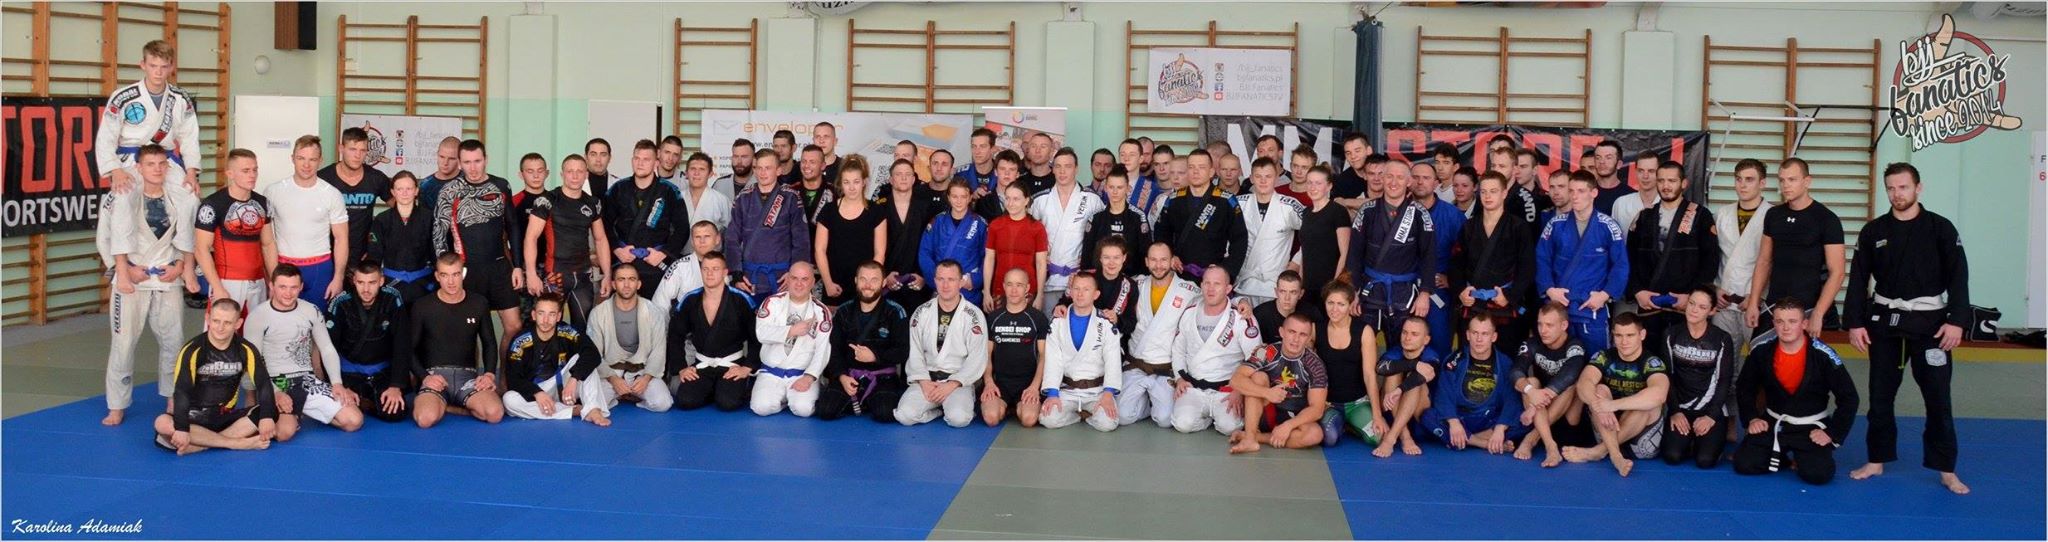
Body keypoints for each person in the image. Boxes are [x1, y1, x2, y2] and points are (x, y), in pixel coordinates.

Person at [1845, 162, 1972, 494]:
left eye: (1903, 187)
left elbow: (1959, 276)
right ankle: (1876, 459)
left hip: (1931, 324)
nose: (1896, 193)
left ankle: (1946, 469)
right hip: (1885, 322)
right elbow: (1858, 278)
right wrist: (1855, 322)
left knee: (1938, 399)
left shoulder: (1940, 228)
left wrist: (1957, 320)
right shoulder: (1874, 231)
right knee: (1880, 396)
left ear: (1918, 187)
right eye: (1891, 188)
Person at [98, 144, 199, 426]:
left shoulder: (178, 196)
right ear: (138, 167)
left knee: (173, 340)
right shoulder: (119, 196)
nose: (157, 169)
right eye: (150, 164)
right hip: (131, 278)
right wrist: (124, 269)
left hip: (166, 278)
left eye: (162, 164)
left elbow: (186, 236)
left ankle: (173, 397)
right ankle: (116, 405)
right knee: (123, 343)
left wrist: (179, 266)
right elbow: (105, 237)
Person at [1734, 299, 1859, 486]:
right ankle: (1782, 458)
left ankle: (1801, 458)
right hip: (1774, 422)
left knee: (1818, 475)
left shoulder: (1823, 355)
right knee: (1744, 464)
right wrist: (1751, 418)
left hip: (1810, 426)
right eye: (1780, 321)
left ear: (1804, 324)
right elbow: (1745, 387)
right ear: (1773, 323)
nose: (1786, 328)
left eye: (1792, 321)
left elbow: (1849, 397)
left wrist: (1832, 433)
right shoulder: (1761, 351)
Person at [246, 264, 363, 438]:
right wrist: (274, 392)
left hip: (306, 380)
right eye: (282, 287)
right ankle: (285, 414)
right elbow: (252, 360)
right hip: (276, 381)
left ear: (301, 287)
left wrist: (337, 383)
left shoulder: (311, 310)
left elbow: (326, 348)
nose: (288, 293)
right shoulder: (257, 316)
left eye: (293, 287)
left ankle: (301, 410)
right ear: (271, 286)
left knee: (354, 421)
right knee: (283, 433)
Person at [434, 139, 526, 351]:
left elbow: (513, 226)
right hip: (466, 270)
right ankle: (472, 373)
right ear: (459, 163)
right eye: (467, 162)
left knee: (514, 327)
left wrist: (518, 266)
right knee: (468, 332)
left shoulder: (501, 185)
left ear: (486, 160)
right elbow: (439, 233)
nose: (473, 168)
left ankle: (504, 372)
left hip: (499, 267)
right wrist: (446, 273)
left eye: (477, 161)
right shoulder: (450, 190)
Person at [155, 299, 277, 454]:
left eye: (227, 323)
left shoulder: (246, 349)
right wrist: (182, 428)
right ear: (208, 319)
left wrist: (266, 417)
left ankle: (200, 445)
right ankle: (235, 443)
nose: (220, 327)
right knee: (162, 423)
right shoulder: (192, 350)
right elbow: (181, 391)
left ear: (238, 324)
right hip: (193, 417)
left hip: (224, 416)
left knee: (270, 411)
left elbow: (264, 384)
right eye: (216, 321)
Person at [1743, 158, 1847, 340]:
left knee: (1805, 358)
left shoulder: (1826, 219)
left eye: (1792, 179)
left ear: (1807, 181)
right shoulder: (1773, 215)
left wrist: (1818, 313)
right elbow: (1764, 261)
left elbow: (1837, 273)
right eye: (1782, 180)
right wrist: (1753, 302)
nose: (1786, 185)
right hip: (1775, 305)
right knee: (1760, 353)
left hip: (1809, 307)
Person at [404, 253, 507, 427]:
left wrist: (489, 374)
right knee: (425, 419)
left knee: (494, 414)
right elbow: (408, 349)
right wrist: (424, 377)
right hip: (435, 376)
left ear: (463, 274)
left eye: (456, 274)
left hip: (467, 378)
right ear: (437, 276)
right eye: (445, 275)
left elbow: (489, 342)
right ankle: (445, 404)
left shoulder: (479, 303)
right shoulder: (422, 305)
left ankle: (450, 406)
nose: (451, 282)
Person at [1561, 312, 1670, 477]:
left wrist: (1612, 405)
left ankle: (1599, 451)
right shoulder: (1604, 356)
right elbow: (1584, 383)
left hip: (1641, 441)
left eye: (1630, 335)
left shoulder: (1651, 362)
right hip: (1608, 428)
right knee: (1599, 390)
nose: (1624, 342)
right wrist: (1598, 405)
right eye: (1619, 336)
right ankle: (1615, 455)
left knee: (1648, 404)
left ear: (1642, 335)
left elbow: (1659, 394)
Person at [1624, 160, 1719, 346]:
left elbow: (1711, 260)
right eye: (1661, 181)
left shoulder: (1700, 215)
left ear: (1684, 183)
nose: (1666, 186)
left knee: (1683, 355)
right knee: (1650, 354)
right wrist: (1637, 291)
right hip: (1649, 303)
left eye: (1672, 181)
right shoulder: (1644, 216)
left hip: (1684, 305)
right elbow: (1629, 258)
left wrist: (1693, 296)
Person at [1536, 170, 1629, 353]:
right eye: (1571, 191)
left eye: (1581, 191)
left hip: (1591, 307)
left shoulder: (1608, 226)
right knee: (1559, 360)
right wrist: (1549, 289)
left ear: (1593, 193)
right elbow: (1541, 259)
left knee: (1595, 361)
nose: (1575, 196)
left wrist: (1605, 295)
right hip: (1560, 307)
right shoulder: (1555, 224)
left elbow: (1620, 265)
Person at [96, 40, 201, 198]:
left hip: (165, 161)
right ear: (143, 65)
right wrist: (115, 171)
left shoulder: (180, 98)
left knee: (190, 198)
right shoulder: (123, 97)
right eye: (153, 66)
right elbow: (106, 137)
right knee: (123, 199)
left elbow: (189, 138)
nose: (158, 72)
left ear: (171, 67)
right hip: (131, 161)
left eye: (164, 67)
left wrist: (191, 173)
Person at [896, 261, 990, 427]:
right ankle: (938, 411)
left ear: (960, 282)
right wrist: (923, 381)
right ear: (934, 281)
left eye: (951, 279)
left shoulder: (974, 316)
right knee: (904, 416)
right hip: (927, 380)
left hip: (957, 381)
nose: (945, 285)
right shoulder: (921, 312)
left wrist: (953, 384)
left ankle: (952, 405)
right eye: (941, 279)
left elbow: (977, 357)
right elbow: (915, 352)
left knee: (959, 419)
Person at [524, 154, 614, 329]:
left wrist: (607, 275)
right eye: (570, 171)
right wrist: (531, 274)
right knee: (547, 325)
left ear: (586, 174)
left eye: (579, 171)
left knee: (583, 327)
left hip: (583, 275)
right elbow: (531, 238)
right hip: (555, 274)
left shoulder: (593, 203)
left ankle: (576, 349)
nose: (575, 176)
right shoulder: (547, 200)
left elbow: (601, 239)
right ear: (562, 174)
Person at [1169, 266, 1260, 435]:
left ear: (1228, 288)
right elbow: (1178, 350)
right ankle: (1206, 418)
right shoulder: (1189, 311)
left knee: (1230, 427)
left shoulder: (1241, 317)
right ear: (1201, 285)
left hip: (1227, 390)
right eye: (1207, 283)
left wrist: (1240, 390)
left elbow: (1255, 359)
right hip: (1193, 387)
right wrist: (1179, 378)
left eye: (1217, 284)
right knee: (1182, 424)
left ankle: (1216, 416)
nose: (1211, 289)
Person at [1033, 271, 1129, 433]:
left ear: (1096, 294)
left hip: (1097, 390)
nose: (1080, 293)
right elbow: (1053, 360)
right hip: (1067, 389)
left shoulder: (1106, 323)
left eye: (1086, 289)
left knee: (1108, 423)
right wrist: (1053, 393)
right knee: (1047, 419)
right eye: (1076, 288)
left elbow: (1112, 360)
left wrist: (1108, 394)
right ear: (1070, 292)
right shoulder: (1058, 322)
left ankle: (1089, 414)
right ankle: (1078, 416)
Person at [1350, 158, 1436, 332]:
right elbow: (1354, 254)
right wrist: (1352, 291)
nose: (1393, 182)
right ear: (1382, 178)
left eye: (1400, 177)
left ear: (1409, 182)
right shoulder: (1367, 211)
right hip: (1370, 291)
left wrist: (1425, 293)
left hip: (1404, 293)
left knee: (1404, 344)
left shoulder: (1420, 214)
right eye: (1389, 176)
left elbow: (1429, 256)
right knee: (1364, 342)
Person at [1451, 172, 1536, 348]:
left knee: (1506, 357)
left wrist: (1510, 296)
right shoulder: (1469, 226)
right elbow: (1456, 264)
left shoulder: (1518, 227)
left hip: (1504, 304)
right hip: (1474, 303)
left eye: (1493, 191)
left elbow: (1527, 268)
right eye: (1483, 192)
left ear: (1504, 193)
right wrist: (1461, 291)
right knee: (1471, 356)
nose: (1487, 196)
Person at [1120, 242, 1201, 427]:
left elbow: (1215, 298)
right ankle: (1145, 402)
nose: (1158, 265)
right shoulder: (1135, 284)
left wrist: (1241, 302)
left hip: (1166, 369)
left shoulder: (1189, 290)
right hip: (1136, 364)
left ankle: (1151, 400)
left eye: (1164, 260)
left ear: (1172, 261)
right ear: (1146, 262)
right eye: (1153, 260)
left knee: (1165, 420)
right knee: (1123, 417)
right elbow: (1104, 284)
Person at [818, 262, 911, 422]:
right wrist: (842, 376)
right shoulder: (844, 311)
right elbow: (834, 349)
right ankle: (863, 401)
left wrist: (875, 356)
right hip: (849, 375)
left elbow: (902, 351)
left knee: (885, 413)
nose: (868, 285)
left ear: (883, 282)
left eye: (874, 280)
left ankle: (865, 401)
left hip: (882, 377)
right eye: (863, 279)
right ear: (856, 280)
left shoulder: (895, 312)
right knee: (825, 410)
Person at [1422, 313, 1528, 454]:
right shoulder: (1453, 361)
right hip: (1461, 417)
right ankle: (1483, 443)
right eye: (1475, 333)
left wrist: (1500, 428)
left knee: (1527, 419)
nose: (1479, 339)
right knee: (1427, 416)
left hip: (1489, 419)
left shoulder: (1505, 363)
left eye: (1485, 334)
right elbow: (1444, 395)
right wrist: (1453, 422)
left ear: (1494, 337)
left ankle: (1463, 440)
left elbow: (1511, 400)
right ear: (1468, 335)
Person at [668, 252, 759, 412]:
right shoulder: (690, 299)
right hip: (702, 364)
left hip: (732, 365)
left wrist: (747, 367)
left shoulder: (741, 300)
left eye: (715, 269)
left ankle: (730, 388)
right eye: (705, 269)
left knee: (728, 403)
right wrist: (681, 367)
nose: (709, 273)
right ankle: (713, 389)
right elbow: (675, 335)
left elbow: (756, 337)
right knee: (685, 400)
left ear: (725, 272)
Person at [1659, 287, 1739, 469]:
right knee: (1672, 456)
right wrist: (1675, 411)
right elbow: (1666, 375)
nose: (1694, 310)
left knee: (1705, 460)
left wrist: (1711, 416)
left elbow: (1724, 380)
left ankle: (1705, 441)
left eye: (1702, 307)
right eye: (1692, 304)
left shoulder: (1721, 338)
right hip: (1681, 407)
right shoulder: (1671, 334)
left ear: (1712, 311)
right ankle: (1689, 440)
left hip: (1710, 407)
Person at [265, 135, 350, 306]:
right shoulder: (273, 192)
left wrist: (338, 277)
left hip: (319, 268)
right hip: (284, 266)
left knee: (317, 318)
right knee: (284, 319)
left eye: (312, 159)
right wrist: (271, 277)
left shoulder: (332, 194)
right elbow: (267, 242)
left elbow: (341, 239)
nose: (306, 165)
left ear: (320, 161)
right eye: (301, 158)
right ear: (292, 158)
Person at [1226, 314, 1328, 453]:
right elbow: (1236, 379)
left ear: (1309, 338)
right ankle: (1249, 438)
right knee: (1258, 377)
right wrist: (1267, 393)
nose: (1296, 339)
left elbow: (1317, 409)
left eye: (1302, 334)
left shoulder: (1315, 364)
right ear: (1282, 332)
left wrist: (1288, 426)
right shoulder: (1265, 351)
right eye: (1291, 332)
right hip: (1263, 411)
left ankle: (1257, 438)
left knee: (1315, 434)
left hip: (1293, 415)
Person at [325, 262, 413, 424]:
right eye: (361, 282)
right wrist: (339, 385)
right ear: (354, 281)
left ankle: (368, 403)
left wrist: (395, 386)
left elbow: (402, 343)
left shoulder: (392, 298)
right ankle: (364, 400)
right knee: (341, 410)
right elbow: (328, 348)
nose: (366, 289)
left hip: (382, 371)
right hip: (349, 373)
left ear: (381, 281)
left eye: (372, 283)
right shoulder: (340, 302)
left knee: (395, 412)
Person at [502, 293, 609, 425]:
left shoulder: (567, 332)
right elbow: (513, 378)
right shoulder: (521, 341)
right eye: (541, 313)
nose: (546, 320)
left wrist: (574, 378)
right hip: (537, 390)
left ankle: (593, 409)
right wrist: (537, 393)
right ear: (534, 315)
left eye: (551, 314)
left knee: (583, 360)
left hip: (565, 386)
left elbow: (593, 354)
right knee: (509, 400)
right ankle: (574, 410)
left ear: (558, 316)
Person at [606, 140, 690, 300]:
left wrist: (664, 253)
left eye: (646, 159)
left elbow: (682, 229)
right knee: (622, 308)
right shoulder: (618, 189)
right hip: (625, 260)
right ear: (632, 160)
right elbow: (606, 225)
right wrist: (617, 249)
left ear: (656, 163)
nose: (640, 163)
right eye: (637, 158)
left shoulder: (669, 191)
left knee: (656, 311)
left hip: (655, 262)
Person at [585, 262, 674, 413]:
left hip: (641, 372)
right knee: (593, 405)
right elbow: (594, 353)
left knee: (662, 403)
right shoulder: (599, 313)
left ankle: (635, 396)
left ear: (638, 284)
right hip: (610, 373)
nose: (626, 285)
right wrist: (613, 379)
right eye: (621, 279)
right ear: (613, 284)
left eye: (632, 279)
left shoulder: (653, 312)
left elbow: (658, 350)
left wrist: (646, 378)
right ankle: (618, 395)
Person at [193, 148, 276, 307]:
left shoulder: (263, 202)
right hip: (227, 282)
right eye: (246, 171)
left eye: (255, 170)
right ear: (230, 174)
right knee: (225, 323)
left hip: (258, 280)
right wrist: (217, 287)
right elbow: (201, 249)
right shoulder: (212, 204)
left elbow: (268, 244)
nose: (252, 175)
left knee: (257, 323)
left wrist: (274, 281)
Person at [748, 262, 834, 417]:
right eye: (794, 278)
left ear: (813, 282)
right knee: (761, 408)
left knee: (804, 409)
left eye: (804, 279)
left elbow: (823, 349)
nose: (799, 284)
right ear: (787, 280)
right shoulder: (772, 302)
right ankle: (783, 399)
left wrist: (809, 377)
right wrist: (790, 331)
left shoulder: (821, 311)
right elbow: (761, 333)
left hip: (801, 373)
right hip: (771, 372)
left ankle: (799, 394)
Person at [1509, 303, 1589, 466]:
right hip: (1542, 416)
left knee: (1572, 384)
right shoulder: (1533, 343)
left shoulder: (1575, 346)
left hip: (1567, 421)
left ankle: (1530, 438)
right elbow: (1515, 371)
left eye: (1549, 325)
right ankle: (1550, 446)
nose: (1543, 330)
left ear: (1564, 325)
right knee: (1531, 382)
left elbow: (1570, 374)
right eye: (1540, 324)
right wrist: (1532, 392)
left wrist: (1535, 404)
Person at [1030, 148, 1107, 314]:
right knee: (1049, 326)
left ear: (1076, 169)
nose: (1062, 171)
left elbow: (1102, 241)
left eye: (1068, 166)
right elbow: (1029, 238)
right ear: (1052, 169)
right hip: (1048, 279)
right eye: (1058, 166)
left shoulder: (1092, 200)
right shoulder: (1040, 200)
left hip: (1081, 281)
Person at [729, 148, 813, 296]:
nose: (763, 172)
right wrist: (736, 274)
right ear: (754, 170)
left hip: (782, 277)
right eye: (759, 168)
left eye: (768, 168)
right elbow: (732, 238)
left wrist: (795, 273)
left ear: (778, 170)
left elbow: (801, 240)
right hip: (749, 278)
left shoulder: (791, 197)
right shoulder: (743, 198)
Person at [1155, 150, 1245, 280]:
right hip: (1179, 273)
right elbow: (1161, 233)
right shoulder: (1174, 199)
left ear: (1211, 172)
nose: (1195, 172)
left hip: (1213, 276)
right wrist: (1169, 257)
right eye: (1191, 167)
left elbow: (1240, 240)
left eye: (1201, 167)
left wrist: (1226, 270)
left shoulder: (1226, 200)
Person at [1712, 159, 1773, 344]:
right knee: (1724, 357)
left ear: (1762, 183)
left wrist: (1758, 296)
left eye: (1749, 179)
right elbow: (1712, 256)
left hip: (1756, 303)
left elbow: (1774, 262)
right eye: (1738, 179)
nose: (1743, 185)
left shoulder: (1773, 215)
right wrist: (1714, 289)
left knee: (1760, 356)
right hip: (1724, 301)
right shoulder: (1721, 214)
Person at [1409, 162, 1466, 359]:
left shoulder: (1452, 216)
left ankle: (1439, 378)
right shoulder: (1398, 211)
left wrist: (1452, 280)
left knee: (1439, 345)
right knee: (1404, 343)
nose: (1420, 182)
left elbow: (1467, 255)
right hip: (1404, 287)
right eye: (1415, 177)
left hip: (1438, 291)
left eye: (1426, 178)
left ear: (1436, 183)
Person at [981, 269, 1050, 427]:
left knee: (1029, 419)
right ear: (1004, 287)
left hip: (1027, 383)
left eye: (1019, 285)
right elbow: (986, 354)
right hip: (1000, 383)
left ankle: (1017, 407)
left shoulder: (1038, 318)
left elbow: (1043, 356)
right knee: (991, 418)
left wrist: (1034, 387)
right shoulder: (993, 317)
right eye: (1010, 284)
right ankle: (1005, 407)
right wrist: (989, 382)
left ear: (1027, 288)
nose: (1014, 290)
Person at [814, 157, 888, 306]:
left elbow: (879, 253)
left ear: (864, 182)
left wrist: (869, 283)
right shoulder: (828, 210)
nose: (852, 187)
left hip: (865, 288)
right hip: (834, 285)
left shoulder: (876, 211)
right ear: (840, 183)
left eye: (856, 182)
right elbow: (819, 250)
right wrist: (828, 283)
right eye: (846, 182)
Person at [1311, 284, 1378, 447]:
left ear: (1350, 305)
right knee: (1330, 438)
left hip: (1358, 403)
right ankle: (1343, 424)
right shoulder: (1315, 329)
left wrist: (1377, 415)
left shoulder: (1364, 331)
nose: (1334, 309)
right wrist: (1316, 402)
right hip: (1329, 404)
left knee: (1378, 438)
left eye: (1341, 304)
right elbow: (1306, 368)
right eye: (1330, 303)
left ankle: (1352, 424)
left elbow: (1370, 375)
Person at [1234, 158, 1306, 305]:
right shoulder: (1238, 203)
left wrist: (1296, 262)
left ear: (1276, 178)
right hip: (1244, 283)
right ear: (1251, 178)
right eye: (1258, 176)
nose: (1263, 181)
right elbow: (1221, 235)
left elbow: (1314, 232)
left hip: (1275, 285)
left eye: (1268, 176)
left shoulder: (1290, 205)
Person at [874, 158, 944, 310]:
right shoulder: (879, 208)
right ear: (891, 180)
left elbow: (934, 246)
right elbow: (872, 247)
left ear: (913, 179)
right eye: (898, 174)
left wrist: (925, 276)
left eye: (908, 174)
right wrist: (883, 275)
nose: (904, 178)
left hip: (917, 282)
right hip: (888, 282)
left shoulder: (926, 207)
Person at [319, 127, 392, 264]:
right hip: (327, 253)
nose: (357, 155)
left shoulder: (376, 178)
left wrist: (378, 243)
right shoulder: (323, 178)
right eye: (352, 149)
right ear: (341, 149)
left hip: (363, 255)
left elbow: (401, 207)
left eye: (362, 150)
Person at [1369, 317, 1436, 457]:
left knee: (1416, 379)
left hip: (1419, 419)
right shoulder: (1396, 351)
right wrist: (1414, 364)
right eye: (1405, 332)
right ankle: (1404, 436)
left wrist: (1399, 390)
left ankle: (1390, 439)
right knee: (1392, 373)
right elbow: (1380, 368)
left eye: (1414, 334)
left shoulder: (1430, 355)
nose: (1407, 338)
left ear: (1426, 340)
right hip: (1391, 412)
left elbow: (1426, 373)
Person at [369, 172, 436, 303]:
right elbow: (374, 255)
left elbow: (435, 254)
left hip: (423, 284)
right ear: (393, 192)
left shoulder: (429, 218)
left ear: (416, 191)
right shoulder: (382, 220)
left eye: (409, 189)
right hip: (390, 284)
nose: (404, 193)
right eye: (399, 189)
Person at [920, 181, 989, 307]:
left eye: (963, 196)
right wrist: (937, 279)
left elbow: (987, 257)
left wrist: (975, 280)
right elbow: (925, 253)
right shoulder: (937, 221)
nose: (959, 201)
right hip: (942, 288)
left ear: (970, 197)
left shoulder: (980, 224)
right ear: (948, 197)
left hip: (968, 290)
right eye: (955, 196)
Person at [986, 184, 1050, 311]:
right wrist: (987, 292)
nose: (1010, 203)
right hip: (1000, 288)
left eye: (1016, 199)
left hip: (1027, 291)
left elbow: (1041, 263)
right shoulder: (995, 225)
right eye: (1007, 198)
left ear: (1026, 201)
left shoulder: (1037, 228)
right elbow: (989, 259)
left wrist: (1040, 295)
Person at [1080, 166, 1149, 279]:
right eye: (1111, 187)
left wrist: (1142, 279)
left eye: (1120, 187)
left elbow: (1145, 252)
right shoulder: (1096, 218)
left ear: (1128, 189)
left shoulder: (1138, 217)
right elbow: (1087, 255)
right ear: (1105, 188)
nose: (1115, 192)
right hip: (1101, 280)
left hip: (1133, 279)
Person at [1296, 166, 1351, 306]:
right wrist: (1300, 283)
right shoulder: (1306, 213)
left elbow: (1345, 253)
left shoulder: (1338, 212)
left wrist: (1335, 285)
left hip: (1329, 286)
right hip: (1308, 286)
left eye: (1318, 183)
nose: (1313, 187)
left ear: (1329, 186)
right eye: (1309, 182)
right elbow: (1305, 251)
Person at [650, 221, 725, 313]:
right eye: (697, 237)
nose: (702, 241)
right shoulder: (680, 266)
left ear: (717, 239)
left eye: (707, 236)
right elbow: (660, 302)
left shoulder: (728, 266)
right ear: (692, 242)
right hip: (687, 319)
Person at [1608, 151, 1661, 235]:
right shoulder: (1621, 204)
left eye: (1651, 171)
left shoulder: (1668, 204)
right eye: (1641, 171)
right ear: (1635, 172)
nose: (1645, 176)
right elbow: (1612, 238)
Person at [679, 152, 732, 231]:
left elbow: (731, 230)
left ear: (710, 174)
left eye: (702, 169)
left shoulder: (721, 200)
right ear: (686, 173)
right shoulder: (677, 198)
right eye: (693, 169)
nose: (696, 173)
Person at [972, 150, 1027, 220]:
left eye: (1012, 169)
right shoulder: (984, 201)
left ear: (1017, 174)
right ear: (995, 172)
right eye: (1002, 169)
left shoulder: (1025, 200)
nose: (1007, 173)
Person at [793, 145, 839, 223]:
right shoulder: (790, 192)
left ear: (823, 166)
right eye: (804, 161)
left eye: (812, 162)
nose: (806, 166)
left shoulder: (835, 193)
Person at [1118, 139, 1164, 217]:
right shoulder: (1106, 187)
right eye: (1122, 155)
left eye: (1132, 155)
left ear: (1141, 159)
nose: (1126, 159)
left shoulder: (1153, 188)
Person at [1330, 134, 1373, 212]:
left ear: (1368, 150)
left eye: (1357, 151)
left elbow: (1387, 202)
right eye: (1348, 153)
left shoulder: (1385, 172)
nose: (1353, 156)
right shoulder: (1342, 181)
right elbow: (1337, 205)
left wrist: (1346, 202)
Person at [419, 137, 464, 210]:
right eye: (442, 157)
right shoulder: (425, 186)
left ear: (460, 158)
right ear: (437, 155)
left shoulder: (469, 182)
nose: (445, 162)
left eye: (451, 158)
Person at [1589, 140, 1633, 213]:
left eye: (1608, 158)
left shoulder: (1630, 195)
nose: (1602, 162)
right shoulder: (1585, 192)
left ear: (1619, 164)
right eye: (1598, 157)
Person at [1511, 148, 1551, 223]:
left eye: (1523, 166)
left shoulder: (1546, 199)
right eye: (1515, 166)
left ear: (1534, 170)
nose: (1517, 171)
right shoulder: (1505, 197)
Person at [959, 128, 999, 195]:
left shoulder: (1003, 173)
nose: (977, 152)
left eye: (982, 146)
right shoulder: (961, 174)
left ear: (993, 149)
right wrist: (971, 197)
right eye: (974, 146)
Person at [812, 122, 845, 187]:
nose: (821, 141)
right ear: (813, 141)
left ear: (835, 141)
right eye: (818, 137)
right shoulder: (802, 167)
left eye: (826, 137)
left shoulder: (845, 167)